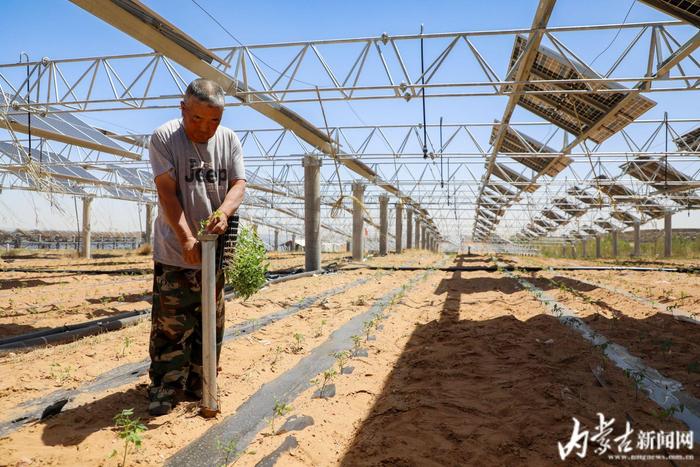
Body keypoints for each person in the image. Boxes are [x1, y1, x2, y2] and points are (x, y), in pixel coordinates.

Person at [147, 78, 246, 416]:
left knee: (210, 322)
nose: (206, 128)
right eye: (197, 119)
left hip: (213, 253)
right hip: (176, 251)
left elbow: (238, 184)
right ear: (182, 109)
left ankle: (200, 383)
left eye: (214, 120)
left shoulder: (229, 140)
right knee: (172, 323)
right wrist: (186, 237)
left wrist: (223, 212)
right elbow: (166, 193)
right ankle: (164, 388)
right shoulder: (164, 138)